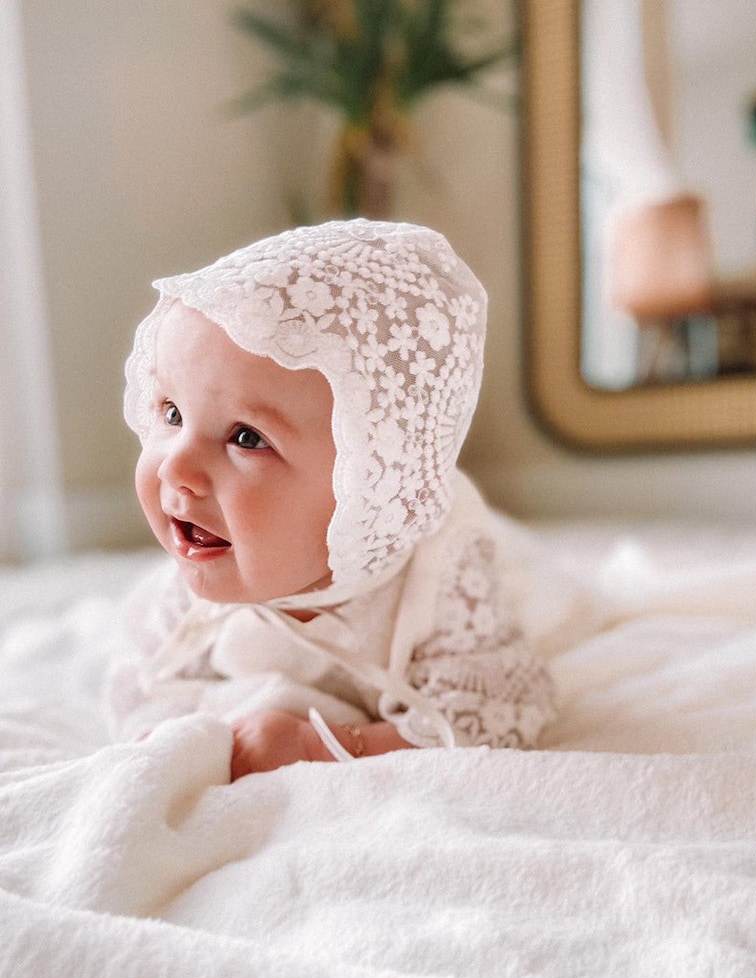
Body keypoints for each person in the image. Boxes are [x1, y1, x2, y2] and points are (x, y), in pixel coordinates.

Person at [107, 219, 555, 778]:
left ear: (366, 484)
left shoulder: (439, 581)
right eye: (172, 413)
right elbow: (145, 676)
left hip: (493, 573)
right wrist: (175, 731)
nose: (175, 465)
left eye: (246, 437)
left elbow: (498, 712)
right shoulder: (202, 557)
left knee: (550, 590)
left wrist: (331, 746)